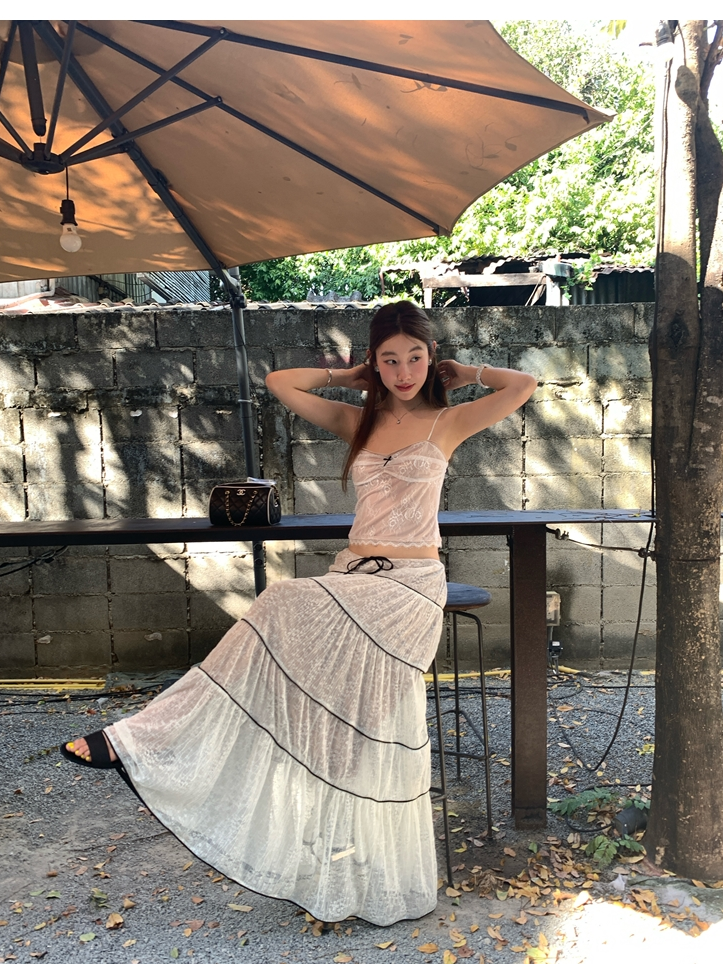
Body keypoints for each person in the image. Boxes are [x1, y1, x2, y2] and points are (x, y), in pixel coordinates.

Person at [61, 301, 536, 926]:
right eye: (390, 360)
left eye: (415, 358)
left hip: (411, 587)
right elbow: (280, 383)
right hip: (355, 574)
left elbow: (522, 384)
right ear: (375, 363)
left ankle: (145, 741)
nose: (403, 371)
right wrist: (349, 376)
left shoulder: (448, 421)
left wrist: (463, 371)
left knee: (283, 601)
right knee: (330, 704)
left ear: (430, 358)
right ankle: (168, 752)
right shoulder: (358, 422)